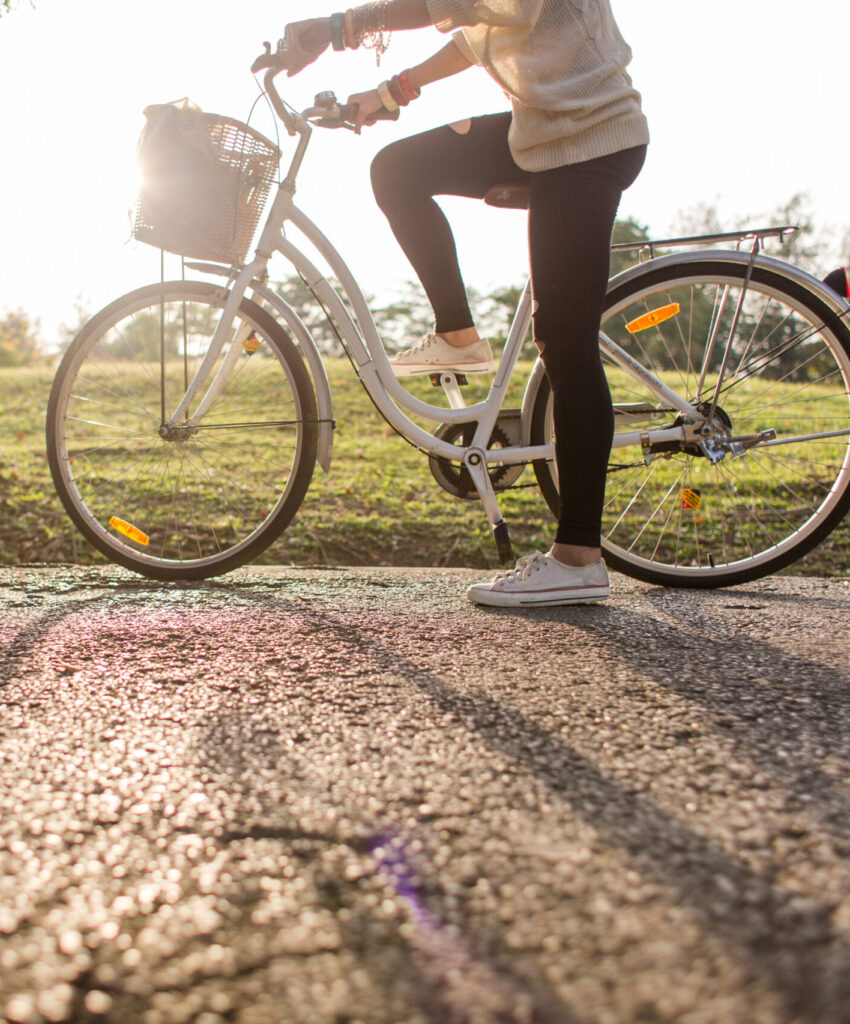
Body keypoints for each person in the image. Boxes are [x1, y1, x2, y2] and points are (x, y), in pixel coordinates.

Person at [280, 0, 649, 608]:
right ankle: (457, 335)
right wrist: (390, 91)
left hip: (588, 139)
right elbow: (477, 32)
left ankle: (580, 556)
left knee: (564, 341)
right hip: (542, 129)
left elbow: (445, 3)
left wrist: (338, 29)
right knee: (397, 169)